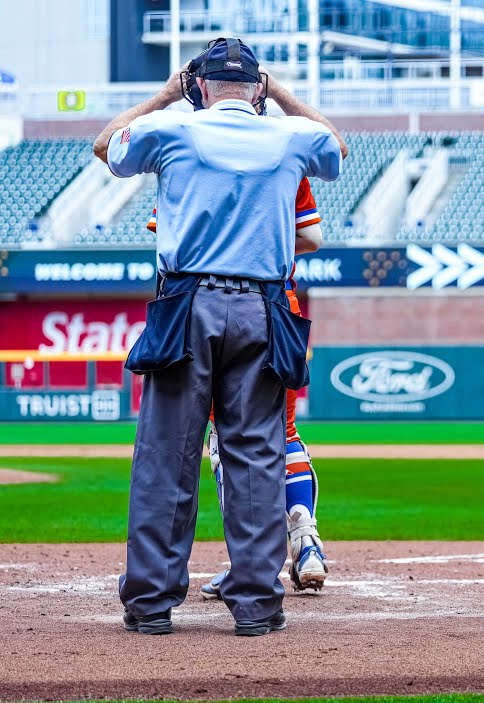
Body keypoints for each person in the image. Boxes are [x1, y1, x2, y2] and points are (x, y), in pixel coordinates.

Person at [93, 37, 345, 636]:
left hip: (187, 304)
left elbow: (105, 145)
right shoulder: (289, 136)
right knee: (256, 455)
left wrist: (166, 94)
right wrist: (281, 94)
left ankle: (152, 603)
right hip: (264, 306)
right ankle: (257, 605)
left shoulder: (173, 128)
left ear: (200, 86)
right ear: (256, 89)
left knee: (168, 455)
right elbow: (336, 146)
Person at [145, 178, 330, 598]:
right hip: (277, 307)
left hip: (202, 306)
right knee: (282, 433)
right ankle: (306, 539)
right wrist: (261, 245)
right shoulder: (287, 156)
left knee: (226, 438)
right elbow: (312, 237)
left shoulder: (188, 154)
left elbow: (167, 238)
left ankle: (248, 565)